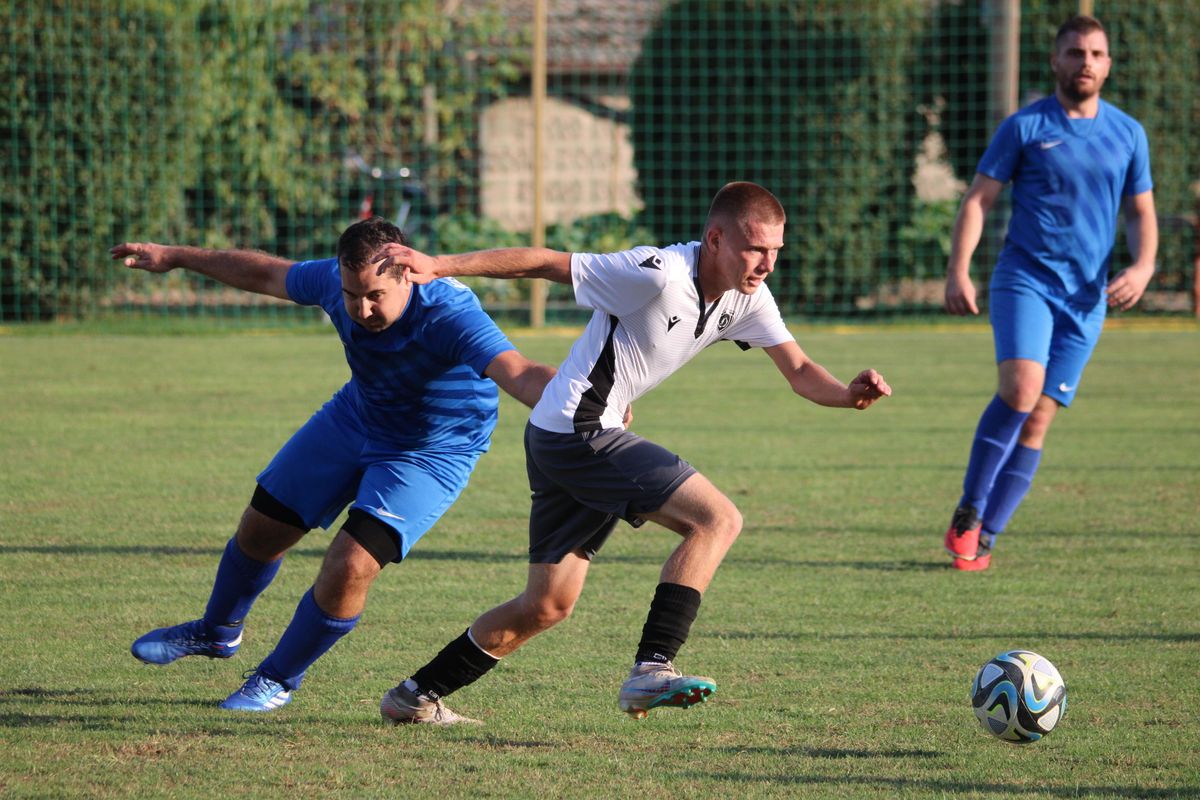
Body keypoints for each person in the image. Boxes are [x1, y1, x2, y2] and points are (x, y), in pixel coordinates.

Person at [368, 181, 891, 724]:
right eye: (755, 248)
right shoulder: (655, 273)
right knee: (718, 520)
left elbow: (802, 372)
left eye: (775, 251)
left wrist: (849, 395)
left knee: (546, 605)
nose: (766, 263)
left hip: (562, 433)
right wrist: (443, 264)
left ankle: (413, 696)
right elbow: (547, 262)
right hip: (579, 429)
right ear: (714, 239)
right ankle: (652, 668)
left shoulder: (748, 296)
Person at [110, 217, 556, 712]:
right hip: (356, 416)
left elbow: (519, 372)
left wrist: (583, 398)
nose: (362, 308)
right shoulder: (336, 280)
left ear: (406, 274)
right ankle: (217, 631)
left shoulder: (449, 313)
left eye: (374, 296)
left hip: (431, 450)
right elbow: (263, 274)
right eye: (351, 294)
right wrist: (175, 256)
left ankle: (276, 678)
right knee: (261, 529)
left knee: (349, 566)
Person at [941, 15, 1157, 571]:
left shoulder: (1128, 133)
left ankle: (985, 535)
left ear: (1108, 65)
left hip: (1086, 297)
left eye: (1096, 53)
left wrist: (1145, 265)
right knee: (1021, 388)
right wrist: (959, 270)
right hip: (1025, 279)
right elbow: (978, 201)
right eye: (1075, 52)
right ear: (1055, 61)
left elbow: (1139, 212)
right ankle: (969, 507)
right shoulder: (1025, 126)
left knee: (1039, 417)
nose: (1085, 61)